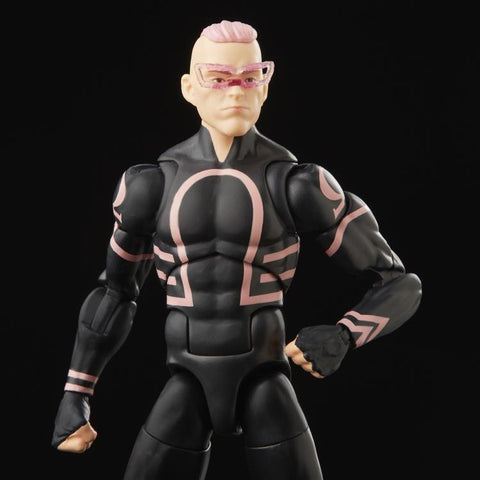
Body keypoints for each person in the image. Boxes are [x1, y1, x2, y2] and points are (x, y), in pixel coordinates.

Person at [52, 20, 422, 480]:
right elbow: (115, 292)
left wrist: (346, 334)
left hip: (264, 377)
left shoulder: (298, 184)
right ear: (189, 88)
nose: (235, 92)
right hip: (186, 378)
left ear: (265, 86)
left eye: (250, 78)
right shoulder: (150, 186)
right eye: (219, 78)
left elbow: (400, 283)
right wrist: (76, 392)